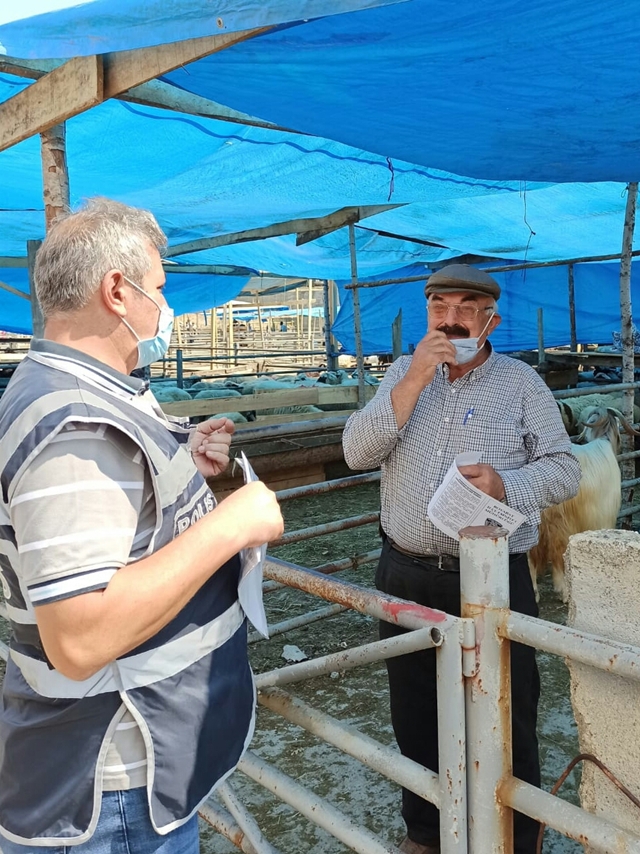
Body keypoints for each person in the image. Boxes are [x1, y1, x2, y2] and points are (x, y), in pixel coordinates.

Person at [0, 198, 284, 853]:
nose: (165, 305)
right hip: (113, 792)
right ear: (117, 292)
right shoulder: (74, 426)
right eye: (158, 288)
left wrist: (184, 465)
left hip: (127, 770)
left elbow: (106, 522)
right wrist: (232, 524)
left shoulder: (81, 388)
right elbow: (78, 639)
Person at [342, 264, 581, 854]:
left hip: (496, 576)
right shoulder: (402, 374)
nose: (450, 318)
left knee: (509, 707)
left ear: (490, 317)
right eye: (438, 305)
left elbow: (565, 468)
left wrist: (504, 484)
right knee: (416, 712)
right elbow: (355, 452)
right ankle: (428, 833)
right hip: (408, 571)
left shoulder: (522, 383)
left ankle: (516, 837)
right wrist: (415, 377)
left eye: (466, 306)